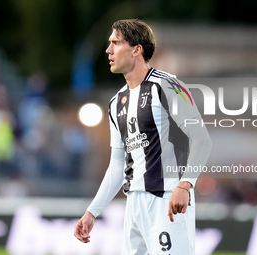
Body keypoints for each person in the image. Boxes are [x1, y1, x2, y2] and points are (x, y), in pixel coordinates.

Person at [74, 19, 212, 254]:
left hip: (167, 199)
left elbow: (201, 139)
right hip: (134, 205)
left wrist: (185, 185)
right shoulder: (116, 102)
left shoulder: (168, 86)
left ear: (137, 49)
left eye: (116, 43)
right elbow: (118, 164)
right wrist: (92, 212)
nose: (108, 50)